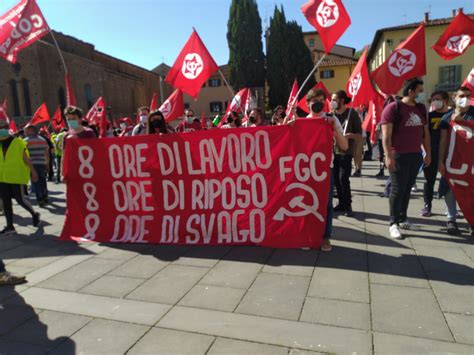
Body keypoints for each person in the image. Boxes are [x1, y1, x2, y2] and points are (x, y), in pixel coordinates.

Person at [288, 88, 348, 252]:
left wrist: (334, 129)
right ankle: (307, 235)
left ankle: (325, 237)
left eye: (322, 100)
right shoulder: (300, 122)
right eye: (315, 101)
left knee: (326, 205)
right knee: (306, 203)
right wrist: (289, 127)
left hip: (325, 170)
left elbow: (344, 146)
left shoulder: (331, 120)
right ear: (307, 104)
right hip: (305, 171)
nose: (319, 104)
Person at [381, 78, 431, 239]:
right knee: (397, 189)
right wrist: (388, 156)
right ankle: (393, 223)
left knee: (408, 188)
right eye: (420, 90)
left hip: (415, 155)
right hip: (398, 155)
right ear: (411, 90)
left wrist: (428, 153)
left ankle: (402, 219)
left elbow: (425, 133)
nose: (422, 94)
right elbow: (386, 136)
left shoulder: (421, 108)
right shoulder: (393, 108)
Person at [438, 86, 474, 236]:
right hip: (452, 163)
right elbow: (443, 141)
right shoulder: (446, 118)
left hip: (471, 164)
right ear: (454, 97)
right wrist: (440, 161)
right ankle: (451, 219)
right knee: (449, 189)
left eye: (467, 95)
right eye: (461, 95)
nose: (464, 98)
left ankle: (472, 221)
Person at [0, 119, 41, 236]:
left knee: (20, 199)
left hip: (15, 176)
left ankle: (34, 214)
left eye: (3, 127)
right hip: (2, 177)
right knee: (6, 201)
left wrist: (33, 172)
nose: (1, 129)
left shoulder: (17, 142)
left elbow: (26, 158)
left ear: (7, 128)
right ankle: (10, 226)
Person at [331, 90, 363, 217]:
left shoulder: (352, 114)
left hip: (346, 151)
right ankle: (341, 203)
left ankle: (348, 205)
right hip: (333, 152)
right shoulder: (331, 115)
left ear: (342, 100)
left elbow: (360, 135)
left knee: (343, 178)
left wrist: (350, 135)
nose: (332, 102)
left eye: (335, 99)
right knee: (336, 180)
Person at [420, 91, 450, 217]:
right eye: (432, 99)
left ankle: (449, 208)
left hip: (448, 151)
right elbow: (422, 135)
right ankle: (427, 205)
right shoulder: (429, 116)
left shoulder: (452, 115)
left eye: (437, 99)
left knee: (448, 181)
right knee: (429, 180)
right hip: (431, 150)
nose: (435, 102)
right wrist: (426, 152)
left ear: (445, 101)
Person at [24, 124, 50, 207]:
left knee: (36, 182)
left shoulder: (25, 141)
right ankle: (45, 197)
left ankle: (40, 199)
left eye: (26, 130)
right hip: (42, 163)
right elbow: (46, 153)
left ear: (30, 130)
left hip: (32, 164)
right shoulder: (43, 140)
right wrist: (47, 163)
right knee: (43, 181)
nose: (25, 132)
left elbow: (24, 155)